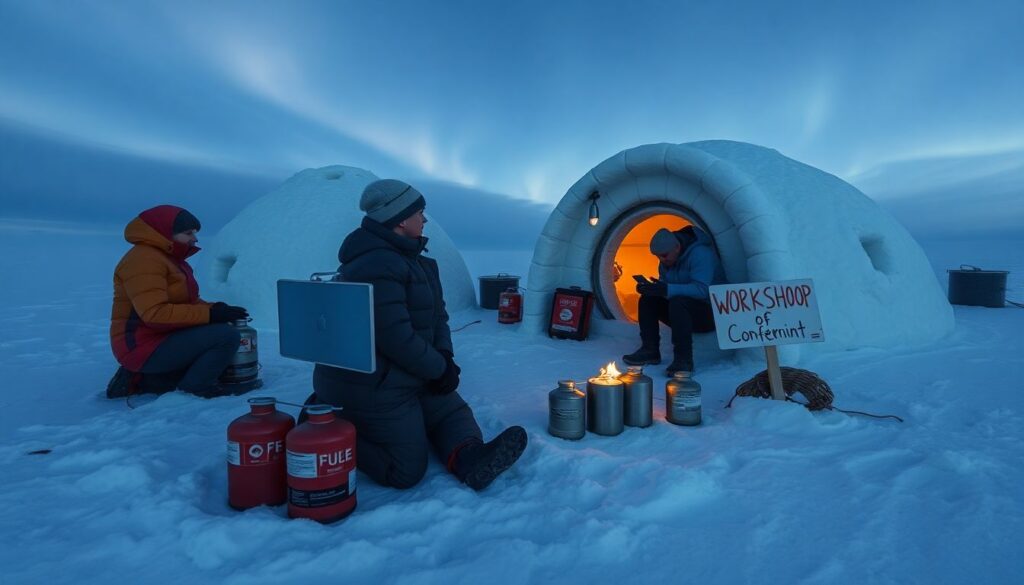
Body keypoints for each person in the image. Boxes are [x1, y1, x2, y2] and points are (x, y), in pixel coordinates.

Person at [313, 179, 528, 491]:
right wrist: (438, 369)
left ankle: (468, 457)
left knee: (450, 410)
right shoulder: (374, 265)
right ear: (400, 219)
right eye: (419, 212)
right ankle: (325, 424)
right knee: (406, 469)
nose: (424, 219)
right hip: (369, 384)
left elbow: (439, 316)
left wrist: (445, 358)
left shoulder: (417, 262)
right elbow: (393, 336)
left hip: (402, 372)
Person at [106, 205, 250, 398]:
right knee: (225, 336)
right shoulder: (143, 260)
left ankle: (149, 380)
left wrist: (216, 309)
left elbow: (188, 302)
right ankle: (196, 387)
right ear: (164, 233)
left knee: (219, 328)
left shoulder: (169, 259)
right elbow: (155, 314)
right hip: (141, 345)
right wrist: (210, 315)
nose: (195, 238)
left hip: (160, 338)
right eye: (188, 233)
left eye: (195, 233)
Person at [622, 225, 726, 375]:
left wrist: (667, 289)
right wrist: (654, 289)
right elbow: (668, 287)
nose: (661, 260)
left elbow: (703, 290)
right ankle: (649, 350)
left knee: (679, 302)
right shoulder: (667, 261)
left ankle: (683, 360)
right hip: (681, 312)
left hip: (711, 312)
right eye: (657, 257)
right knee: (648, 299)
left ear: (677, 247)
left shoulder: (701, 254)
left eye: (664, 256)